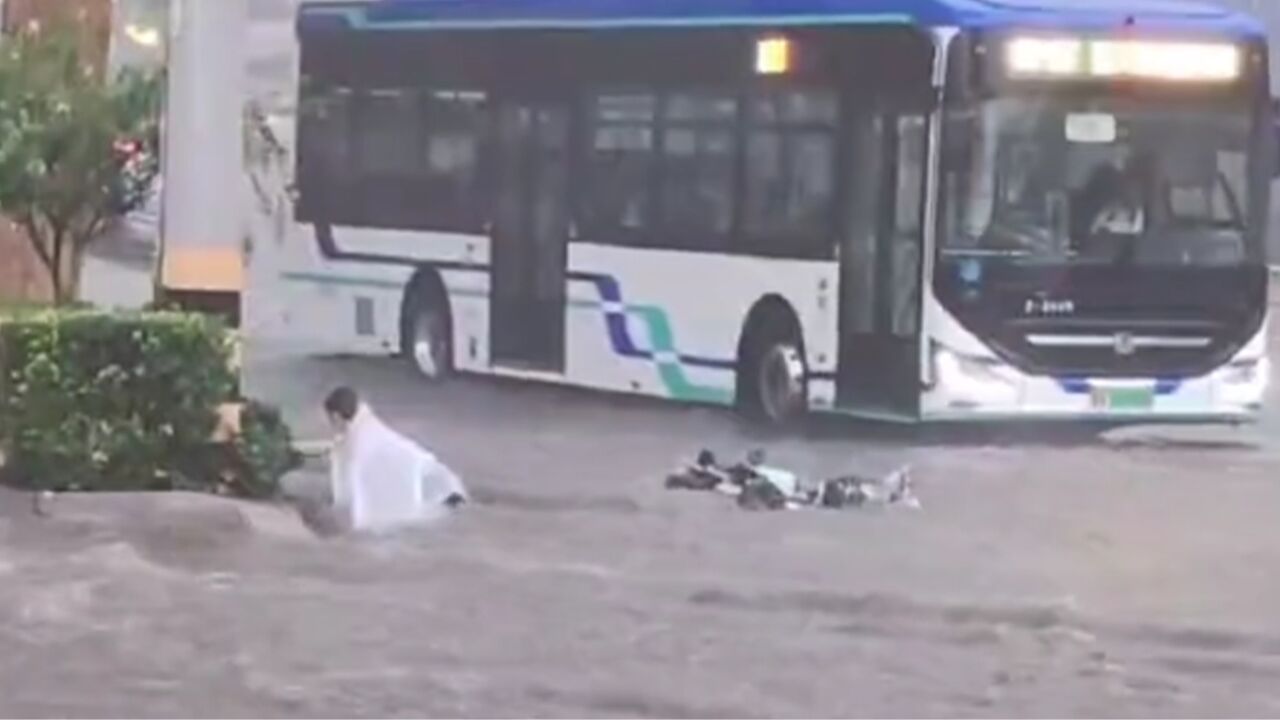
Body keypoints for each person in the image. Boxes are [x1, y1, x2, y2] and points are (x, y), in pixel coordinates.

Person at [324, 386, 467, 533]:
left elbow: (356, 484)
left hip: (427, 485)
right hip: (433, 478)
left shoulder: (360, 439)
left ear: (336, 416)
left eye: (331, 419)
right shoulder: (365, 427)